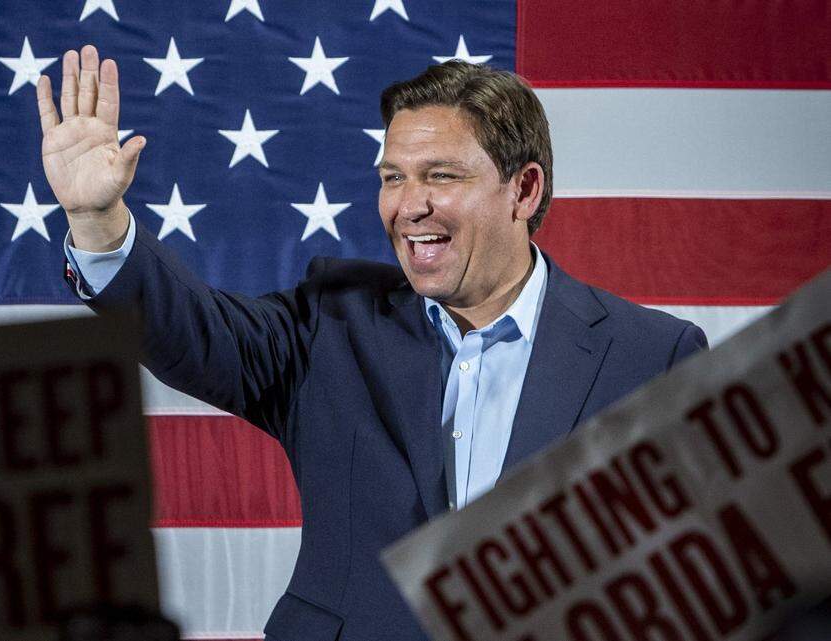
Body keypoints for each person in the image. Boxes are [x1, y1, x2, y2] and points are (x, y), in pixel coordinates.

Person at [36, 44, 708, 641]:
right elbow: (194, 331)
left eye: (441, 175)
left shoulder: (651, 356)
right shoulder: (332, 323)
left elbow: (696, 579)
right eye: (393, 177)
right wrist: (98, 223)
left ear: (524, 189)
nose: (408, 206)